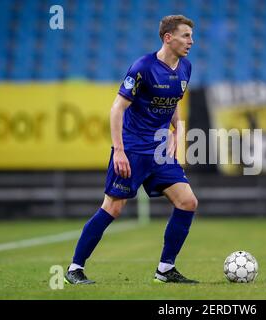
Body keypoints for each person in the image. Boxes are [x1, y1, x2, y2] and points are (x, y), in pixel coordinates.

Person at [64, 15, 198, 284]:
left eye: (191, 36)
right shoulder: (143, 67)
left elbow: (174, 103)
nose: (191, 41)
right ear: (167, 37)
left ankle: (165, 269)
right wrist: (120, 150)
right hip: (133, 149)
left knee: (188, 202)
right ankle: (75, 268)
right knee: (112, 208)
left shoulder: (185, 68)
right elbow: (117, 109)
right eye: (185, 36)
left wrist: (177, 131)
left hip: (160, 151)